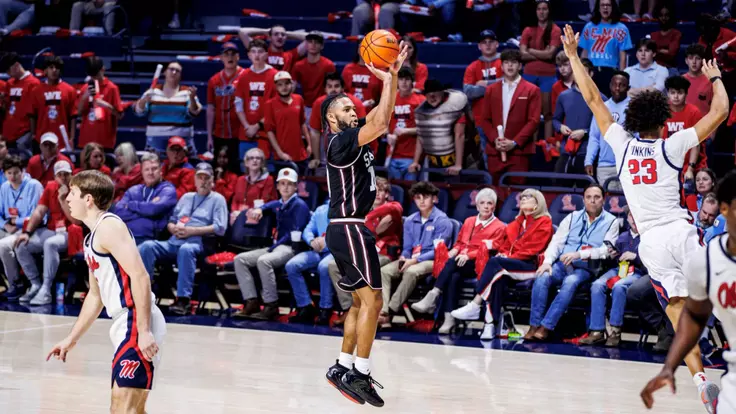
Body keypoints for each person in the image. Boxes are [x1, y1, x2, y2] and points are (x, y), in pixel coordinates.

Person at [561, 23, 727, 411]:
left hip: (650, 241)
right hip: (679, 231)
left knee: (676, 313)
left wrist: (572, 55)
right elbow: (720, 111)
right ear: (662, 119)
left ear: (634, 119)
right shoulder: (672, 144)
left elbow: (593, 100)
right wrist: (714, 77)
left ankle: (702, 383)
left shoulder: (620, 143)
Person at [322, 40, 408, 407]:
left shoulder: (351, 140)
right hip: (350, 226)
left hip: (345, 228)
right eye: (345, 108)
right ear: (332, 118)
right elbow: (382, 121)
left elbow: (378, 120)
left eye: (354, 106)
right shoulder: (340, 141)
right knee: (375, 300)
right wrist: (390, 79)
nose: (352, 110)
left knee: (359, 303)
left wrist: (389, 79)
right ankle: (360, 372)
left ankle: (341, 367)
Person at [46, 170, 165, 413]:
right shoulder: (91, 237)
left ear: (88, 199)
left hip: (135, 319)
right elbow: (95, 296)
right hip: (123, 322)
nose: (68, 199)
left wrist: (143, 331)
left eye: (73, 193)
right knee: (130, 408)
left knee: (123, 408)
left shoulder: (109, 226)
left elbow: (140, 276)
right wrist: (71, 339)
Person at [641, 171, 736, 414]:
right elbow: (691, 322)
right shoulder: (707, 255)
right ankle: (702, 383)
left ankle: (701, 382)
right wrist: (669, 368)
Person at [448, 188, 553, 339]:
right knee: (497, 279)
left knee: (496, 263)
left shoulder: (544, 222)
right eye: (522, 197)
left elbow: (532, 250)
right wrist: (503, 254)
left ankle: (476, 303)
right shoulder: (515, 223)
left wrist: (507, 257)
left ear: (538, 204)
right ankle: (490, 325)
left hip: (530, 266)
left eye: (528, 198)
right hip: (510, 266)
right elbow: (504, 245)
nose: (523, 199)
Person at [527, 184, 618, 341]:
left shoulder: (612, 221)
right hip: (563, 265)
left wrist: (579, 254)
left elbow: (606, 251)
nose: (592, 201)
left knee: (570, 281)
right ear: (583, 200)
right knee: (542, 276)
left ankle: (546, 326)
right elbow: (557, 242)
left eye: (597, 197)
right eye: (589, 197)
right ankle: (534, 325)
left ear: (603, 200)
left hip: (587, 267)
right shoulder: (572, 217)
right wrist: (547, 262)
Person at [411, 188, 507, 334]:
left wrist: (468, 255)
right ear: (477, 206)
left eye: (490, 203)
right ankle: (449, 318)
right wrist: (454, 251)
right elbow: (459, 243)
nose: (486, 206)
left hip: (480, 263)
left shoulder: (499, 226)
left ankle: (433, 295)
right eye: (482, 203)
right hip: (460, 261)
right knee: (453, 276)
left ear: (494, 206)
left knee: (452, 264)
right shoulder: (469, 221)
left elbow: (494, 248)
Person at [138, 163, 228, 315]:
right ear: (195, 180)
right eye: (200, 177)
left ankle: (183, 299)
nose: (203, 181)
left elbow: (220, 228)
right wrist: (172, 227)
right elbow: (172, 220)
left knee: (186, 250)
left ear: (212, 180)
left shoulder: (218, 200)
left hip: (198, 244)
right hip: (174, 241)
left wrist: (192, 231)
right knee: (146, 246)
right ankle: (144, 293)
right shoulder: (186, 197)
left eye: (207, 178)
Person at [232, 168, 310, 320]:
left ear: (295, 187)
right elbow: (272, 204)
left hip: (291, 248)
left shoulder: (300, 205)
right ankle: (251, 301)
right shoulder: (280, 203)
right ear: (278, 186)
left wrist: (274, 246)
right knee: (239, 259)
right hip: (276, 247)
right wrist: (260, 208)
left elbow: (295, 232)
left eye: (290, 184)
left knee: (264, 260)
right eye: (282, 183)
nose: (286, 187)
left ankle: (271, 305)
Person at [379, 181, 453, 328]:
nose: (422, 201)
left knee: (412, 271)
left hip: (434, 260)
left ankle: (389, 312)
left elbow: (438, 251)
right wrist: (403, 257)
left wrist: (414, 260)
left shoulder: (443, 221)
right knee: (384, 271)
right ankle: (382, 311)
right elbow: (407, 247)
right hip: (412, 258)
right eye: (418, 197)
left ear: (435, 199)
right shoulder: (410, 220)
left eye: (425, 197)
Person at [328, 177, 402, 325]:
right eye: (375, 191)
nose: (378, 194)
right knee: (333, 265)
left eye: (381, 191)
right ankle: (350, 308)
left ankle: (374, 311)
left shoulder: (391, 209)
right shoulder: (360, 210)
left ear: (387, 194)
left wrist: (368, 218)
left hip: (385, 254)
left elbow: (396, 208)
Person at [6, 160, 75, 305]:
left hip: (71, 232)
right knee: (21, 244)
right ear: (55, 177)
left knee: (50, 244)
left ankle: (46, 289)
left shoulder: (77, 189)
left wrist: (62, 200)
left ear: (71, 175)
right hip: (52, 230)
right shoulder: (50, 187)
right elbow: (39, 211)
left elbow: (76, 221)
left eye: (66, 174)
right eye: (59, 175)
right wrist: (27, 232)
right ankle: (35, 284)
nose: (63, 178)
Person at [579, 206, 645, 346]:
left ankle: (615, 330)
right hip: (620, 269)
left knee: (619, 286)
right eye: (631, 216)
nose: (634, 219)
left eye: (637, 215)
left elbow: (654, 261)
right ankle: (596, 330)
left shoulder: (648, 237)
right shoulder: (622, 237)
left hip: (639, 271)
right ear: (627, 218)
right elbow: (615, 259)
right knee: (597, 284)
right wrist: (613, 256)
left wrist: (636, 256)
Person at [479, 49, 542, 184]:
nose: (510, 66)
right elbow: (484, 119)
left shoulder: (532, 90)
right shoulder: (491, 89)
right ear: (501, 66)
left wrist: (514, 142)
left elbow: (534, 121)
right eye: (506, 62)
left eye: (513, 62)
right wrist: (495, 139)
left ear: (520, 66)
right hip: (495, 151)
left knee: (517, 196)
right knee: (495, 193)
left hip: (519, 152)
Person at [285, 199, 335, 325]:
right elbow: (308, 230)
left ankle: (326, 308)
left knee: (324, 267)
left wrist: (327, 242)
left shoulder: (350, 211)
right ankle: (305, 306)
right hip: (318, 250)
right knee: (292, 265)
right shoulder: (320, 210)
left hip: (338, 252)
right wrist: (312, 241)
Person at [0, 155, 43, 301]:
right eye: (9, 173)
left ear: (23, 171)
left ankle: (15, 284)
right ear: (4, 173)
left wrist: (15, 221)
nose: (12, 176)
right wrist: (5, 224)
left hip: (29, 229)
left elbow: (35, 216)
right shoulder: (4, 187)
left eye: (16, 172)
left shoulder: (34, 186)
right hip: (9, 228)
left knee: (3, 246)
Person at [135, 61, 202, 155]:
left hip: (182, 140)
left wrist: (192, 99)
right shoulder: (152, 91)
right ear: (165, 72)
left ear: (180, 75)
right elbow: (139, 112)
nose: (174, 72)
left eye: (177, 71)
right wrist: (144, 100)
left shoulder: (187, 92)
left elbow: (194, 112)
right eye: (171, 69)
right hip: (155, 140)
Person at [113, 152, 177, 245]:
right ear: (142, 172)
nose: (150, 172)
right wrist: (147, 210)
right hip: (126, 237)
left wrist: (131, 205)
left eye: (154, 169)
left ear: (161, 170)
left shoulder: (168, 189)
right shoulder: (133, 190)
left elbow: (154, 209)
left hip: (151, 240)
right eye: (147, 169)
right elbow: (118, 212)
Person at [520, 0, 562, 140]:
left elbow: (550, 54)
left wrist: (531, 50)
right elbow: (521, 54)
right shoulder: (528, 29)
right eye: (539, 9)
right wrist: (542, 53)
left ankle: (548, 144)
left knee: (548, 112)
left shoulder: (555, 30)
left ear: (549, 11)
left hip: (547, 75)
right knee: (530, 113)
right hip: (529, 75)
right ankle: (531, 144)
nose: (542, 12)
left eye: (544, 9)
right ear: (535, 11)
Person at [309, 73, 369, 168]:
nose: (333, 89)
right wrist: (317, 158)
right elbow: (315, 132)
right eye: (329, 86)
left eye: (336, 86)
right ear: (325, 89)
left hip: (351, 152)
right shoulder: (318, 104)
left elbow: (364, 131)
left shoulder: (356, 103)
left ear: (342, 88)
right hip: (327, 151)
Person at [409, 80, 467, 176]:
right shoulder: (422, 111)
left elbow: (459, 135)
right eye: (429, 94)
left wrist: (458, 164)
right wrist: (415, 161)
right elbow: (421, 136)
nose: (432, 97)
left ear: (442, 93)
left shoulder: (456, 106)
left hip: (458, 162)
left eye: (435, 93)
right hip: (434, 163)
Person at [552, 57, 600, 175]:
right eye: (576, 72)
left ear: (591, 74)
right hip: (566, 151)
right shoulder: (564, 96)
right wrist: (560, 127)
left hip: (588, 153)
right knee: (560, 188)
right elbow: (555, 120)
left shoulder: (599, 98)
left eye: (583, 72)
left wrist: (585, 132)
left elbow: (604, 127)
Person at [585, 71, 630, 190]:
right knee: (608, 204)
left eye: (622, 85)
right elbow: (594, 137)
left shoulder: (634, 107)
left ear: (628, 88)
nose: (617, 88)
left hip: (627, 164)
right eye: (614, 84)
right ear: (609, 86)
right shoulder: (601, 108)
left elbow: (639, 137)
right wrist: (588, 161)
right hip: (605, 166)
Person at [234, 39, 278, 159]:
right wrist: (247, 126)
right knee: (246, 171)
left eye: (260, 51)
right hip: (246, 134)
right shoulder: (243, 76)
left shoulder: (275, 75)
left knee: (266, 172)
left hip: (267, 135)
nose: (257, 55)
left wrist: (257, 126)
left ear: (267, 54)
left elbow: (276, 107)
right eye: (253, 52)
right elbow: (238, 105)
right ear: (248, 55)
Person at [579, 0, 633, 95]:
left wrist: (621, 77)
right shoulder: (589, 27)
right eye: (602, 5)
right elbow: (584, 52)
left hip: (610, 73)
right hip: (591, 72)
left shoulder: (621, 28)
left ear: (613, 8)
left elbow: (622, 56)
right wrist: (580, 72)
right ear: (598, 8)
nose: (605, 7)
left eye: (608, 5)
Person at [463, 29, 503, 152]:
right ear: (479, 46)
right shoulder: (472, 67)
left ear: (497, 44)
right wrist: (496, 85)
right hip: (480, 118)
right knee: (486, 157)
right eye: (484, 42)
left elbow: (509, 84)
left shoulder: (505, 62)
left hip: (503, 117)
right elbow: (468, 92)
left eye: (491, 41)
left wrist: (485, 84)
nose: (488, 44)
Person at [27, 56, 78, 150]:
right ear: (45, 70)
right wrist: (33, 135)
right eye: (51, 67)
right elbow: (32, 115)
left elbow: (73, 116)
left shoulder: (70, 90)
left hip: (62, 140)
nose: (54, 70)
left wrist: (71, 138)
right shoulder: (36, 91)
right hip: (41, 138)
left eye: (57, 68)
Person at [263, 71, 310, 172]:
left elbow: (302, 123)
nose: (284, 87)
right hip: (282, 156)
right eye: (280, 84)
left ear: (291, 84)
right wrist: (280, 153)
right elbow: (270, 131)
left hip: (301, 154)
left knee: (302, 185)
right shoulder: (269, 104)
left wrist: (309, 144)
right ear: (276, 87)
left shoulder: (299, 99)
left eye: (287, 83)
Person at [662, 76, 706, 183]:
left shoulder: (694, 112)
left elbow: (696, 143)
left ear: (686, 94)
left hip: (692, 165)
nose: (676, 96)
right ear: (668, 94)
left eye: (680, 93)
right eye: (672, 93)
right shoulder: (662, 112)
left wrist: (690, 169)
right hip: (668, 165)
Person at [206, 42, 245, 160]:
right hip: (219, 133)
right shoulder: (214, 80)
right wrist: (209, 136)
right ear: (221, 58)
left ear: (238, 57)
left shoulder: (246, 76)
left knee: (238, 168)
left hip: (240, 134)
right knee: (219, 169)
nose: (230, 57)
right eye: (226, 54)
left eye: (233, 54)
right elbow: (211, 108)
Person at [77, 56, 122, 151]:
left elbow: (119, 115)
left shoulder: (112, 88)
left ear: (103, 69)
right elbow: (79, 112)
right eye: (92, 76)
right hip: (86, 141)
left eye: (96, 75)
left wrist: (105, 105)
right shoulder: (85, 87)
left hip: (105, 142)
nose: (94, 78)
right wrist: (84, 97)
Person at [387, 67, 424, 180]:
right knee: (393, 191)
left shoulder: (420, 100)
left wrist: (406, 131)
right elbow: (382, 123)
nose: (403, 82)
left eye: (407, 79)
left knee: (411, 192)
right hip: (392, 155)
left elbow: (425, 128)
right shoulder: (389, 98)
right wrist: (387, 133)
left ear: (412, 82)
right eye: (401, 79)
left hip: (411, 156)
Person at [1, 52, 39, 155]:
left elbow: (34, 111)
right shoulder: (9, 83)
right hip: (8, 134)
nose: (8, 73)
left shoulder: (33, 83)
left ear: (17, 65)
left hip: (23, 134)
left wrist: (32, 133)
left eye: (9, 70)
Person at [292, 32, 336, 118]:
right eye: (310, 42)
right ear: (306, 45)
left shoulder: (328, 65)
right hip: (306, 106)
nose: (313, 44)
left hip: (324, 106)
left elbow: (332, 87)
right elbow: (292, 88)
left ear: (322, 46)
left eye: (316, 42)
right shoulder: (298, 66)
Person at [229, 148, 276, 223]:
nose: (255, 160)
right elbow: (235, 200)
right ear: (246, 163)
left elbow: (264, 203)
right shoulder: (240, 180)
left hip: (259, 218)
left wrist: (243, 212)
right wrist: (234, 212)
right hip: (238, 216)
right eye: (251, 158)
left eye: (258, 158)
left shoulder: (268, 180)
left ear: (262, 163)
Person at [237, 25, 307, 73]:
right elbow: (242, 32)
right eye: (276, 34)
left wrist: (287, 34)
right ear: (269, 37)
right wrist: (266, 31)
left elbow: (311, 38)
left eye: (282, 35)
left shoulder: (290, 55)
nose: (280, 37)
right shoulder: (260, 52)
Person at [649, 5, 681, 72]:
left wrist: (657, 51)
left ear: (671, 17)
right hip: (655, 68)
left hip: (670, 68)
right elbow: (651, 53)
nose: (663, 18)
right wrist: (664, 50)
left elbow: (671, 54)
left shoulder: (676, 34)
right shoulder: (653, 35)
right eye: (661, 15)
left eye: (666, 15)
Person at [683, 44, 713, 117]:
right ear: (686, 61)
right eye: (691, 58)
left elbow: (717, 108)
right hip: (684, 124)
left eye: (698, 58)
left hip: (704, 125)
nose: (694, 62)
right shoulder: (680, 81)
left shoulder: (711, 81)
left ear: (703, 61)